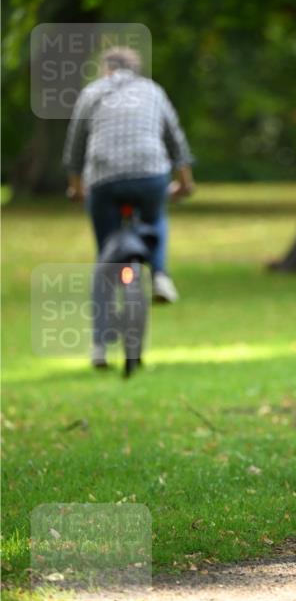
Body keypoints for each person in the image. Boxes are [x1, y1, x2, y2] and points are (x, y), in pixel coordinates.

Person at [63, 46, 195, 366]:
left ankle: (99, 347)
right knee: (155, 218)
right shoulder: (152, 90)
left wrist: (76, 188)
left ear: (106, 69)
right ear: (136, 69)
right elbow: (175, 141)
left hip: (104, 179)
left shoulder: (92, 93)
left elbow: (75, 147)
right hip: (150, 173)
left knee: (106, 261)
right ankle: (160, 274)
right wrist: (185, 182)